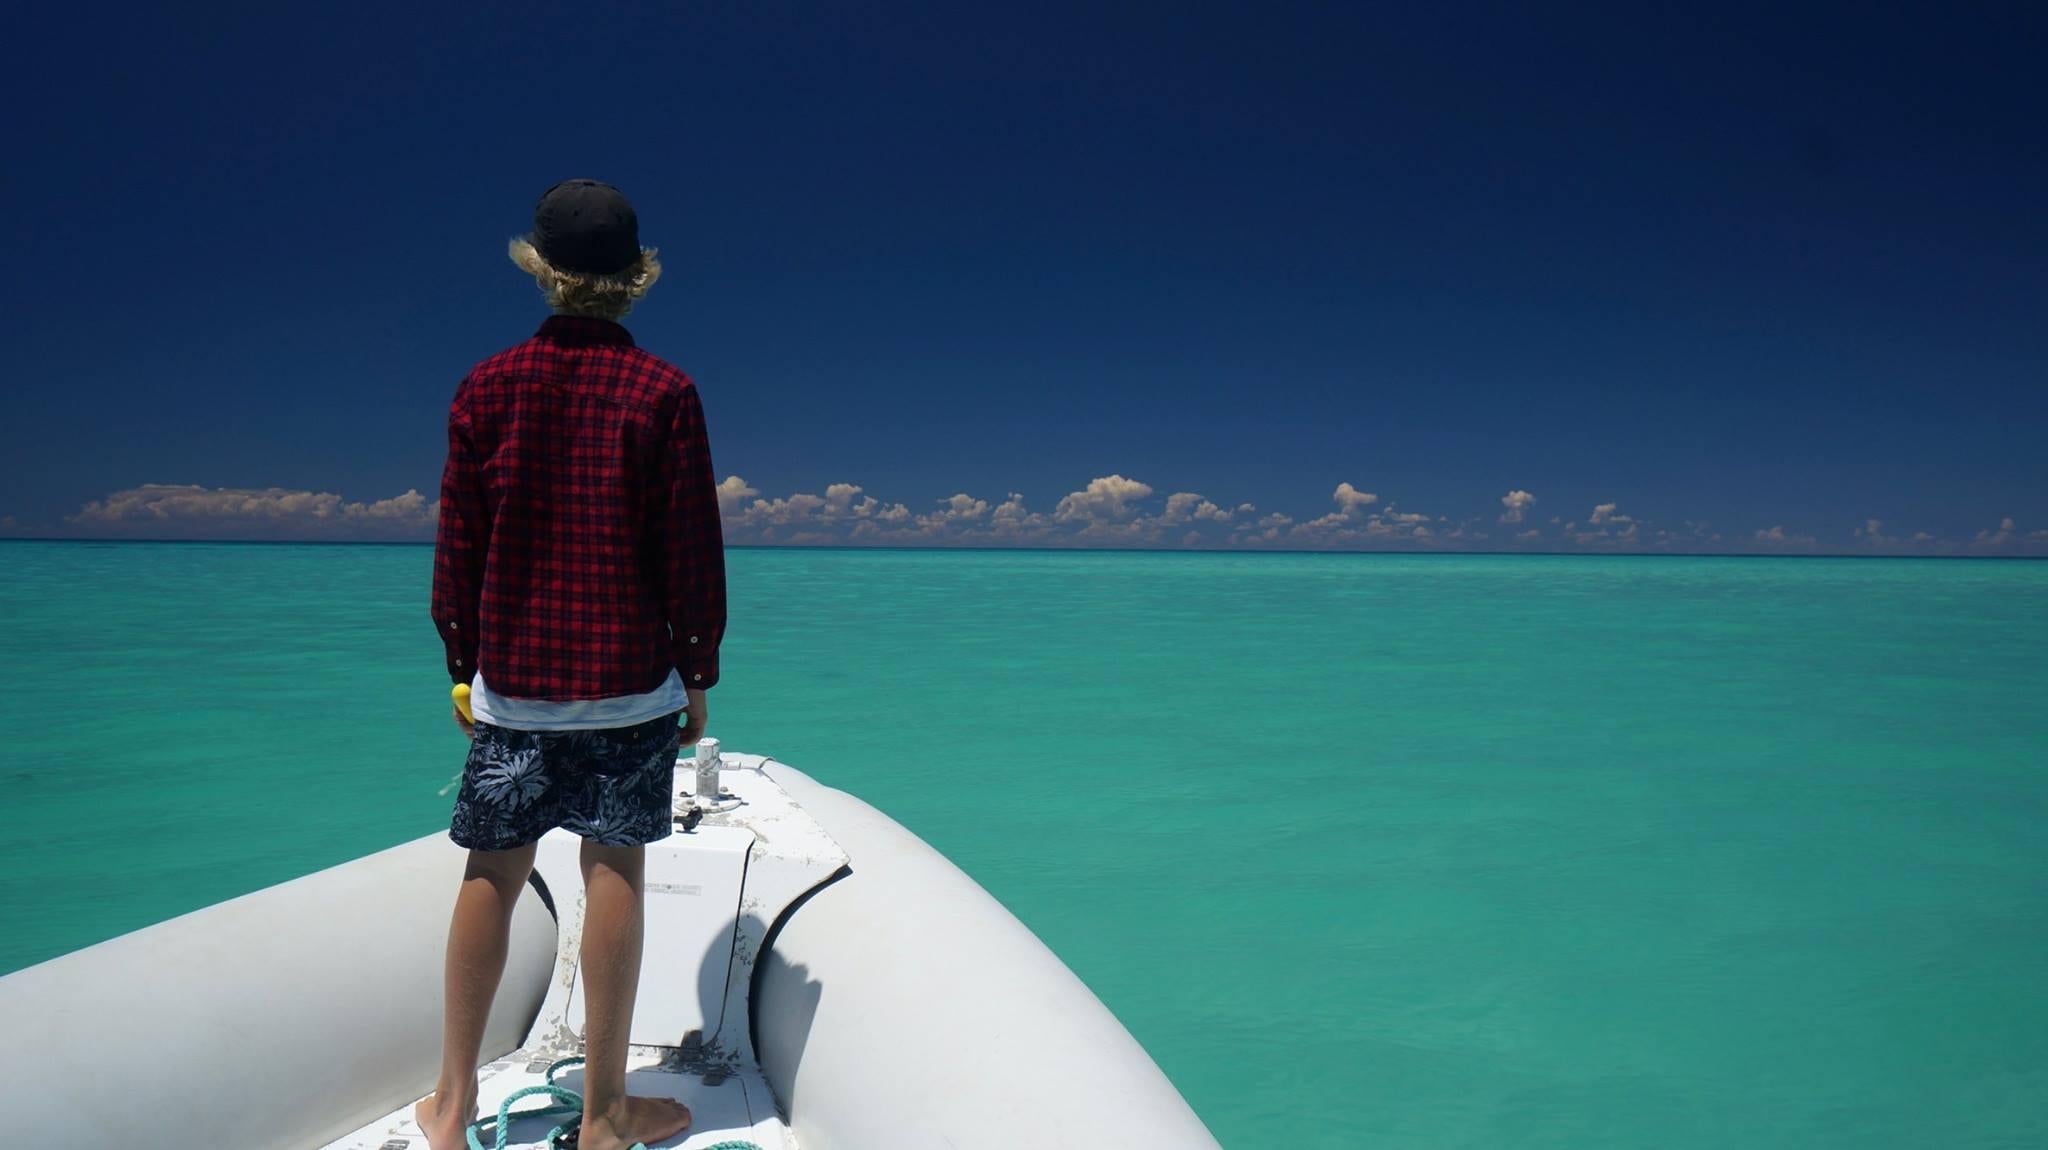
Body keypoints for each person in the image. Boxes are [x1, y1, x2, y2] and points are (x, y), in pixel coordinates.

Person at [416, 178, 726, 1150]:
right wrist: (698, 669)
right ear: (636, 277)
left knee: (490, 875)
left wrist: (462, 662)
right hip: (628, 684)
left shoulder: (485, 385)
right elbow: (688, 551)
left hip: (515, 682)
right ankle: (601, 1115)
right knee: (614, 872)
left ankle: (453, 1101)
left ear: (539, 270)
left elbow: (456, 542)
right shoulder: (664, 392)